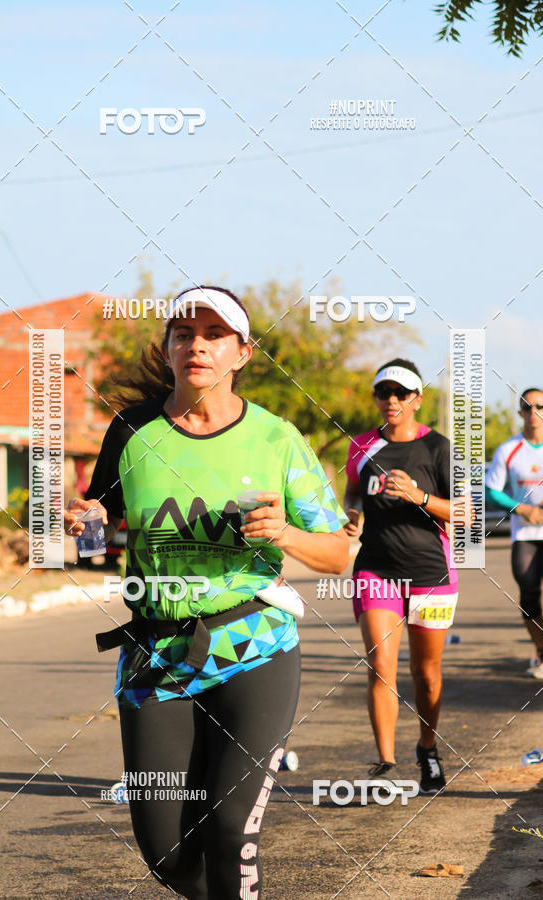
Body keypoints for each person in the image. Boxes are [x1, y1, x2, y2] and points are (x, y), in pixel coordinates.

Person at [64, 286, 349, 900]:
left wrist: (287, 532)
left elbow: (339, 552)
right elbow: (100, 521)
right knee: (165, 850)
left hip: (253, 644)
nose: (197, 345)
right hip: (154, 650)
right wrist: (83, 520)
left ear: (242, 353)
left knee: (227, 828)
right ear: (167, 349)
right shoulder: (131, 432)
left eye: (215, 335)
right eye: (183, 334)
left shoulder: (277, 439)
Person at [343, 359, 458, 795]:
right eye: (383, 393)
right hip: (377, 569)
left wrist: (420, 496)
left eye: (400, 393)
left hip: (430, 571)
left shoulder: (439, 448)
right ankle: (386, 765)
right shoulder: (361, 446)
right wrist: (352, 514)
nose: (391, 400)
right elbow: (354, 489)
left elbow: (465, 512)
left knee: (425, 673)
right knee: (381, 665)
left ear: (417, 400)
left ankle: (427, 748)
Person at [485, 387, 543, 679]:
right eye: (527, 407)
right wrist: (524, 509)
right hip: (525, 534)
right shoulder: (508, 450)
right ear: (520, 414)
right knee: (529, 596)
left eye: (539, 406)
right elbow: (491, 491)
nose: (533, 412)